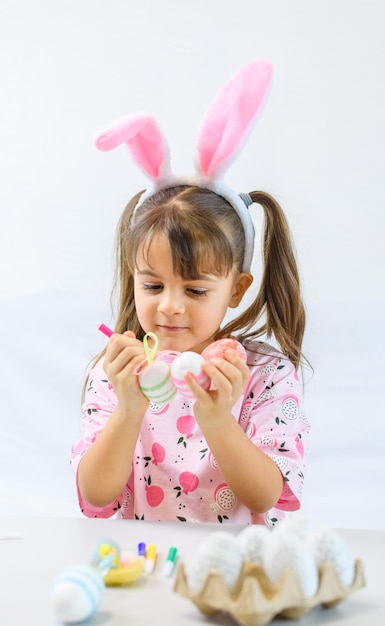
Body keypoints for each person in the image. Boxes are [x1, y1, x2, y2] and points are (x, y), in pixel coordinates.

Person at [71, 60, 310, 525]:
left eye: (196, 289)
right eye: (153, 285)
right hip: (144, 571)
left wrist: (219, 420)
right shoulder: (117, 373)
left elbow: (265, 496)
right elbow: (96, 496)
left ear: (237, 289)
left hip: (237, 580)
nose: (170, 305)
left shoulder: (264, 375)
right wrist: (129, 409)